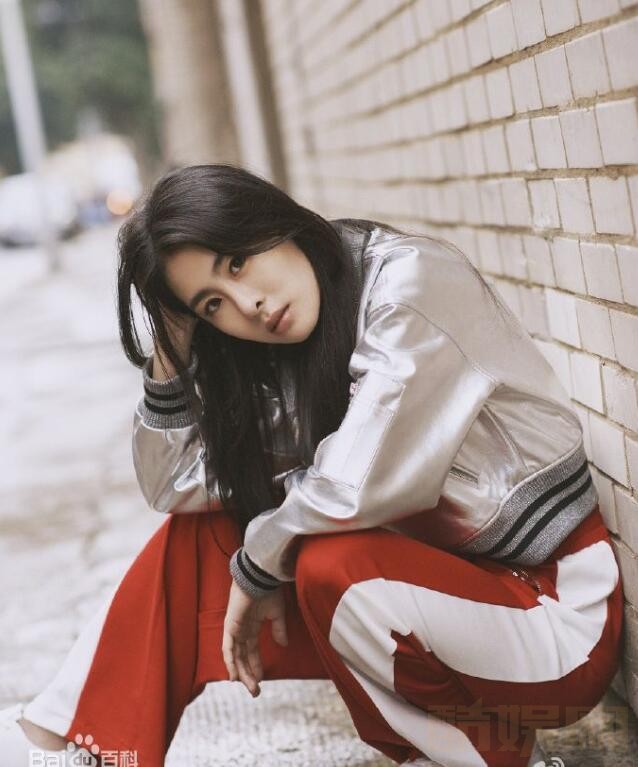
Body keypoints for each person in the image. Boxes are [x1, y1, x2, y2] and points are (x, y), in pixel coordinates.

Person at [0, 163, 623, 767]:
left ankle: (490, 758)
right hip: (444, 593)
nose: (247, 304)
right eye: (212, 305)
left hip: (554, 618)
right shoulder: (294, 352)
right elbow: (175, 485)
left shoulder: (409, 284)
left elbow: (356, 485)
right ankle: (73, 742)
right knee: (203, 538)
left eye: (236, 262)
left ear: (270, 218)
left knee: (328, 562)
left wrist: (258, 567)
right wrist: (169, 352)